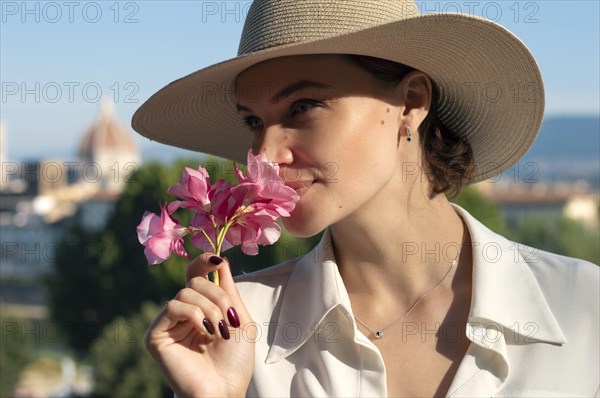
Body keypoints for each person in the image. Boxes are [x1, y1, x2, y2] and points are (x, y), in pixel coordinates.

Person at [132, 0, 600, 396]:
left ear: (412, 102)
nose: (263, 155)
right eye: (253, 122)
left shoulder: (583, 308)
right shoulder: (240, 328)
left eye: (303, 106)